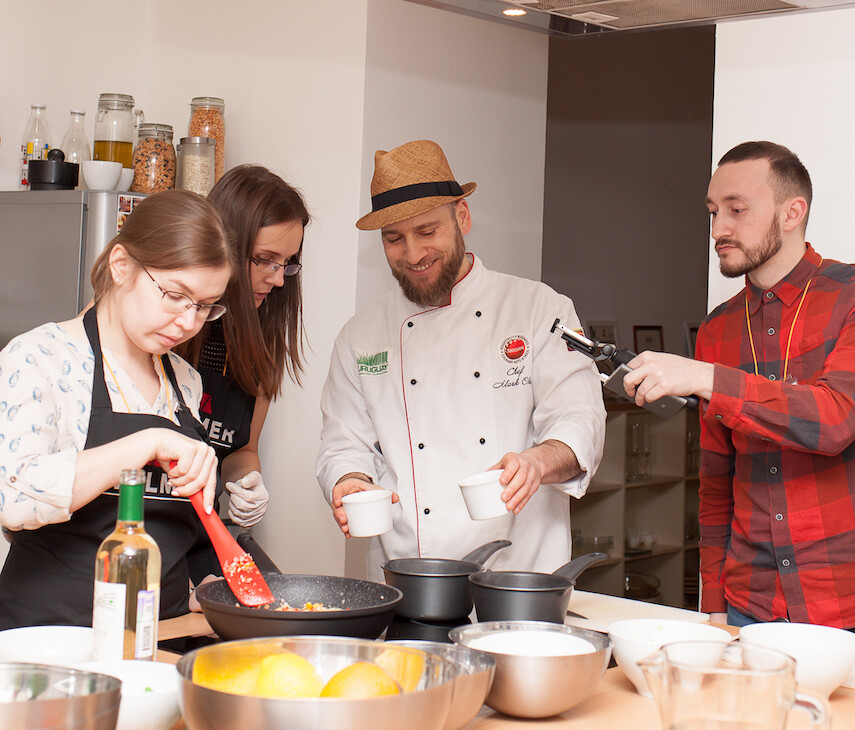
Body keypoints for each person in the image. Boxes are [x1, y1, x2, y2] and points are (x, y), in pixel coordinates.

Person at [621, 141, 855, 645]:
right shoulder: (717, 330)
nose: (719, 227)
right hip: (752, 605)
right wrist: (714, 602)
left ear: (793, 212)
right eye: (713, 211)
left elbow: (834, 420)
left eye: (737, 210)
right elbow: (718, 479)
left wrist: (704, 377)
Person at [316, 139, 605, 579]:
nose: (412, 254)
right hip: (407, 582)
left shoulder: (539, 309)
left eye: (427, 231)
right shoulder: (361, 335)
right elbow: (343, 441)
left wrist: (537, 462)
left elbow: (579, 419)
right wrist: (348, 480)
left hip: (518, 583)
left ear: (462, 216)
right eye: (394, 239)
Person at [0, 190, 230, 628]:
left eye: (203, 306)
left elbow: (170, 522)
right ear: (121, 265)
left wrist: (195, 583)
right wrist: (147, 442)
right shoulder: (39, 358)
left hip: (161, 634)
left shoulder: (184, 380)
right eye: (175, 295)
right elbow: (14, 501)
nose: (188, 323)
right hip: (52, 638)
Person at [176, 165, 309, 581]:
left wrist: (248, 479)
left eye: (287, 264)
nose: (278, 279)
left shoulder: (259, 340)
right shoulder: (169, 327)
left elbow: (240, 448)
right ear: (223, 245)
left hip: (202, 536)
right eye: (265, 260)